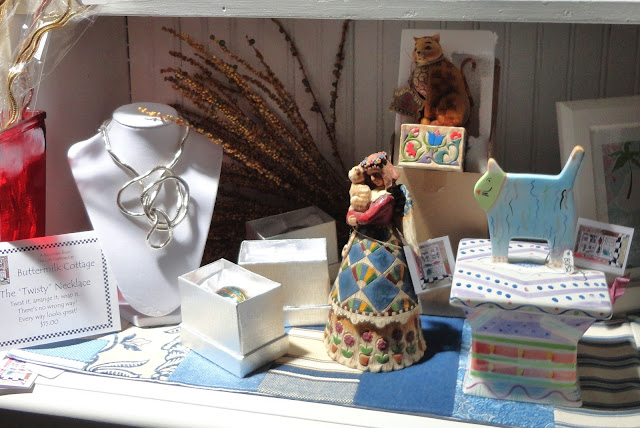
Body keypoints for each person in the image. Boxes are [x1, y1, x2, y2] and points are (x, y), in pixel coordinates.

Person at [325, 152, 426, 372]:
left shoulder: (387, 198)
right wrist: (353, 213)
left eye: (377, 175)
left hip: (383, 247)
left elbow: (370, 216)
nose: (374, 180)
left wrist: (356, 217)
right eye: (370, 176)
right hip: (363, 243)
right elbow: (352, 213)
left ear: (386, 174)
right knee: (353, 283)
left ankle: (391, 346)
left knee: (385, 289)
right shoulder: (368, 192)